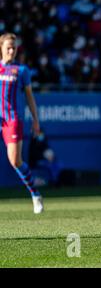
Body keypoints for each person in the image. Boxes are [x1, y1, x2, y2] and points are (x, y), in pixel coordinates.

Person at [0, 33, 43, 214]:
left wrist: (35, 119)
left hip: (12, 119)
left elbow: (29, 97)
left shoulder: (22, 70)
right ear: (1, 48)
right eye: (8, 47)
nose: (11, 50)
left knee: (15, 161)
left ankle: (35, 194)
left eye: (14, 48)